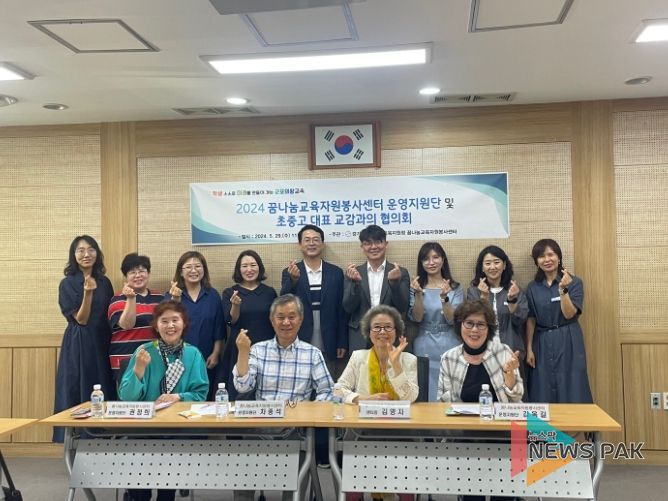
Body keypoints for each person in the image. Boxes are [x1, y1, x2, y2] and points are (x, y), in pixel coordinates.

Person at [119, 300, 208, 501]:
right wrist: (139, 370)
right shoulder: (144, 351)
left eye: (175, 320)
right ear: (156, 326)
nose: (170, 326)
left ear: (184, 323)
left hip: (178, 428)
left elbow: (201, 393)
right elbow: (126, 397)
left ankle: (167, 495)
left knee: (173, 453)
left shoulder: (193, 354)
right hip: (145, 427)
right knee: (137, 456)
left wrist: (179, 397)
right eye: (164, 321)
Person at [438, 300, 523, 501]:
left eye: (481, 324)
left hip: (503, 432)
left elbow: (517, 395)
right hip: (465, 434)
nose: (474, 330)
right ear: (460, 326)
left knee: (503, 494)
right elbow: (443, 402)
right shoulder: (449, 358)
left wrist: (509, 374)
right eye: (469, 323)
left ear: (489, 328)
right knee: (471, 493)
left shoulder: (503, 352)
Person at [53, 235, 115, 442]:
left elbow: (109, 314)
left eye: (91, 249)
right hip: (78, 342)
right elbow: (81, 319)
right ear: (74, 255)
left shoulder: (105, 282)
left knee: (102, 384)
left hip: (101, 340)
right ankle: (76, 438)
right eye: (80, 250)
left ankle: (102, 436)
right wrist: (88, 293)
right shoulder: (67, 283)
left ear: (97, 253)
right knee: (77, 387)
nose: (86, 254)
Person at [525, 239, 593, 403]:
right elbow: (531, 318)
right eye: (542, 256)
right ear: (536, 261)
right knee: (542, 385)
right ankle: (546, 421)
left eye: (551, 254)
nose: (547, 259)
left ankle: (575, 421)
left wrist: (563, 289)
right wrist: (529, 348)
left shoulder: (575, 282)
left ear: (559, 257)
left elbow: (569, 314)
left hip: (568, 338)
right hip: (542, 340)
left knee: (572, 383)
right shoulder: (533, 287)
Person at [233, 294, 333, 401]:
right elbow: (242, 387)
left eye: (291, 317)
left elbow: (327, 391)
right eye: (280, 317)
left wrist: (311, 409)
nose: (286, 322)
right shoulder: (258, 350)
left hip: (298, 411)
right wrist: (243, 352)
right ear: (272, 320)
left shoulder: (313, 354)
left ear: (301, 319)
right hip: (266, 410)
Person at [280, 224, 347, 378]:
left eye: (316, 240)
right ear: (300, 244)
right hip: (299, 338)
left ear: (322, 244)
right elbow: (283, 304)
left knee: (327, 384)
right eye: (307, 240)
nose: (311, 243)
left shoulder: (336, 273)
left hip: (329, 340)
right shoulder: (290, 272)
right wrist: (293, 281)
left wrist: (342, 341)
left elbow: (341, 310)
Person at [408, 242, 464, 401]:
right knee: (426, 389)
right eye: (426, 259)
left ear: (443, 259)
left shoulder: (455, 288)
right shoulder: (416, 287)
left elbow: (453, 320)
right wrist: (418, 295)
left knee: (450, 389)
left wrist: (444, 298)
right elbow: (417, 318)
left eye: (435, 257)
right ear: (421, 263)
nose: (431, 262)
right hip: (424, 342)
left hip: (450, 342)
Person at [343, 224, 410, 354]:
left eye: (378, 242)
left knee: (390, 367)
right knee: (361, 367)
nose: (373, 247)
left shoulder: (400, 272)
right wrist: (355, 283)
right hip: (360, 335)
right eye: (368, 243)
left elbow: (403, 307)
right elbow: (348, 307)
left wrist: (394, 283)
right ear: (362, 247)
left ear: (386, 244)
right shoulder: (353, 273)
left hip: (389, 334)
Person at [165, 251, 224, 399]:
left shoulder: (212, 295)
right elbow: (167, 325)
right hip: (178, 359)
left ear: (204, 269)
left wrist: (216, 353)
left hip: (207, 358)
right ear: (181, 271)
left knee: (205, 398)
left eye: (198, 266)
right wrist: (175, 299)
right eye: (188, 267)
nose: (193, 270)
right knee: (180, 398)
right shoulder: (171, 295)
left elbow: (219, 327)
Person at [220, 250, 277, 400]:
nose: (249, 269)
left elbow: (275, 320)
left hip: (266, 348)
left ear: (259, 267)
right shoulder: (230, 292)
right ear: (239, 269)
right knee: (240, 392)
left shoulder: (269, 292)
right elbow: (230, 321)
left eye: (253, 265)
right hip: (239, 347)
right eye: (244, 266)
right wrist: (235, 306)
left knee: (265, 390)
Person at [337, 305, 418, 404]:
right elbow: (338, 390)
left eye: (388, 327)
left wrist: (396, 365)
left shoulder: (409, 360)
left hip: (398, 413)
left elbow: (411, 398)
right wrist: (365, 399)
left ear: (396, 331)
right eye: (377, 327)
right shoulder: (358, 357)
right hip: (365, 412)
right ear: (369, 332)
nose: (382, 331)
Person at [467, 245, 528, 369]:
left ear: (504, 265)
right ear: (482, 268)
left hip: (510, 350)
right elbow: (473, 322)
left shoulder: (514, 290)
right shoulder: (473, 292)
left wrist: (512, 300)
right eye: (487, 263)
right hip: (482, 351)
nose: (492, 267)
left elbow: (520, 321)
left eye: (496, 262)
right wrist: (483, 297)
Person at [108, 253, 164, 383]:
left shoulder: (159, 298)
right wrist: (131, 298)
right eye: (132, 272)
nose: (138, 275)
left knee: (154, 394)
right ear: (126, 277)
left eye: (142, 271)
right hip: (126, 359)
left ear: (148, 273)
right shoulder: (117, 299)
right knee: (129, 394)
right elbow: (127, 324)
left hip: (153, 359)